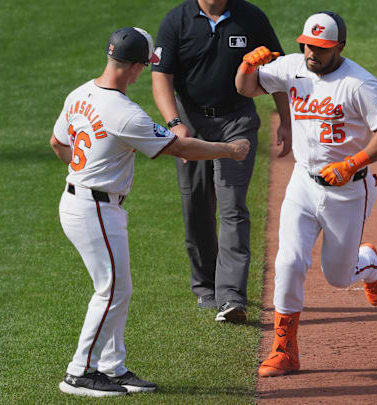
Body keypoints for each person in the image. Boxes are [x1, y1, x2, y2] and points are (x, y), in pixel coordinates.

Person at [50, 27, 250, 397]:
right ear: (136, 66)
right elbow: (183, 149)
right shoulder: (125, 114)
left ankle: (112, 367)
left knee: (118, 289)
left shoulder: (80, 93)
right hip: (94, 208)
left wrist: (84, 171)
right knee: (110, 290)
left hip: (81, 201)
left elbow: (58, 143)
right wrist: (229, 149)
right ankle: (79, 372)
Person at [235, 11, 377, 376]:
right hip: (303, 183)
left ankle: (368, 263)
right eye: (308, 45)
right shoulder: (292, 67)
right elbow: (246, 89)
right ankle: (284, 350)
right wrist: (247, 66)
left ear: (339, 47)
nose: (313, 53)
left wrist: (350, 163)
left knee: (338, 277)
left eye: (322, 48)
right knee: (288, 262)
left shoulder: (360, 84)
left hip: (349, 191)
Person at [152, 0, 292, 323]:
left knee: (232, 206)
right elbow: (162, 76)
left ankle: (231, 296)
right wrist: (174, 123)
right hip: (192, 121)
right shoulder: (177, 21)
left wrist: (285, 120)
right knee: (196, 204)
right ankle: (205, 286)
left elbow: (279, 71)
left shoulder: (251, 18)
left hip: (237, 121)